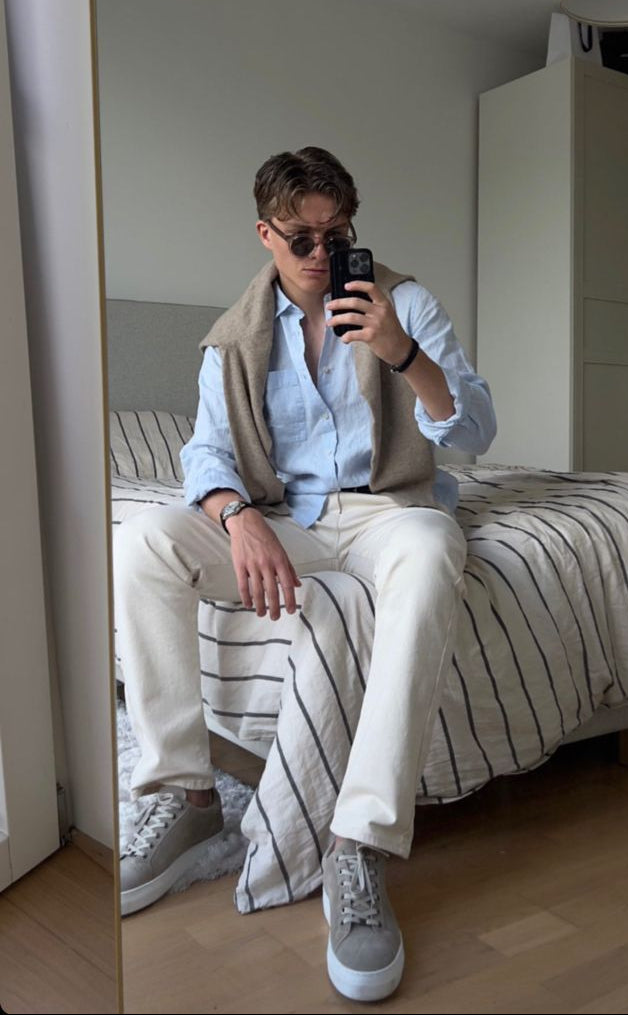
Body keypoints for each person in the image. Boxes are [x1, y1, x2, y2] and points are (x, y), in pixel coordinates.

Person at [115, 146, 496, 1002]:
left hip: (387, 511)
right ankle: (187, 795)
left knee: (435, 548)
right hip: (284, 518)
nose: (323, 255)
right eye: (302, 239)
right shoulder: (232, 338)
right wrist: (236, 515)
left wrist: (404, 355)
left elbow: (476, 431)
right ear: (266, 235)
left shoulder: (405, 304)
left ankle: (359, 842)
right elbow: (205, 452)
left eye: (338, 234)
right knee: (143, 542)